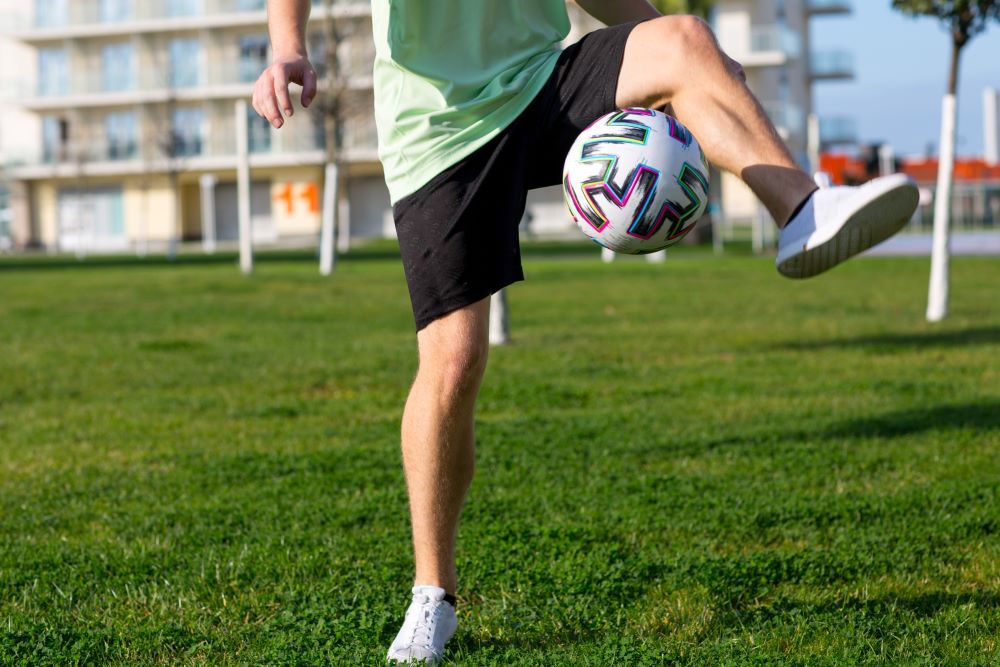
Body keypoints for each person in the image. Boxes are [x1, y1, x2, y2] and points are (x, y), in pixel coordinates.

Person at [254, 0, 918, 662]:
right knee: (453, 361)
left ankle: (803, 211)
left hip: (540, 80)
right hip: (440, 131)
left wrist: (689, 61)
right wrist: (288, 42)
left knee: (684, 37)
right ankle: (434, 593)